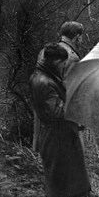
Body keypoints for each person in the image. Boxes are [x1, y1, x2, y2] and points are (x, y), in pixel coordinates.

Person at [29, 43, 92, 197]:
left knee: (58, 187)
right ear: (56, 61)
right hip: (59, 139)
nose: (64, 66)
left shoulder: (41, 76)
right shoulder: (45, 82)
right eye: (63, 63)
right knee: (69, 187)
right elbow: (57, 112)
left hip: (56, 137)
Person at [33, 21, 85, 151]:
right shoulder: (71, 57)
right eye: (81, 36)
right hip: (61, 115)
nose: (82, 40)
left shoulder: (46, 50)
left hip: (43, 109)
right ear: (77, 36)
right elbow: (72, 90)